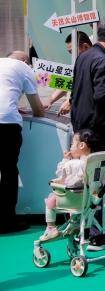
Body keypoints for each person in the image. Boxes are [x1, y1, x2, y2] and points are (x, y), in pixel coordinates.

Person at [70, 19, 105, 250]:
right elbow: (104, 96)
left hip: (81, 128)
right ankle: (97, 233)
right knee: (99, 183)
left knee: (85, 182)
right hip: (99, 131)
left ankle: (84, 229)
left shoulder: (83, 57)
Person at [0, 51, 45, 233]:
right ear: (26, 61)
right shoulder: (24, 68)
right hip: (6, 123)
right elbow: (38, 109)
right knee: (8, 170)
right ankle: (7, 220)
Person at [44, 32, 105, 113]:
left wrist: (70, 101)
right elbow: (71, 81)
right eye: (70, 53)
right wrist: (50, 100)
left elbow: (91, 86)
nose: (73, 56)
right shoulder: (85, 59)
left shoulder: (103, 59)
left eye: (73, 52)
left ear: (86, 46)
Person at [40, 130, 97, 241]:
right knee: (75, 198)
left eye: (72, 144)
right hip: (90, 201)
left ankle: (51, 228)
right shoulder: (94, 162)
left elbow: (60, 174)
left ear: (81, 145)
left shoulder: (74, 163)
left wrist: (65, 159)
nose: (70, 147)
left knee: (50, 200)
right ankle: (75, 223)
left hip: (74, 200)